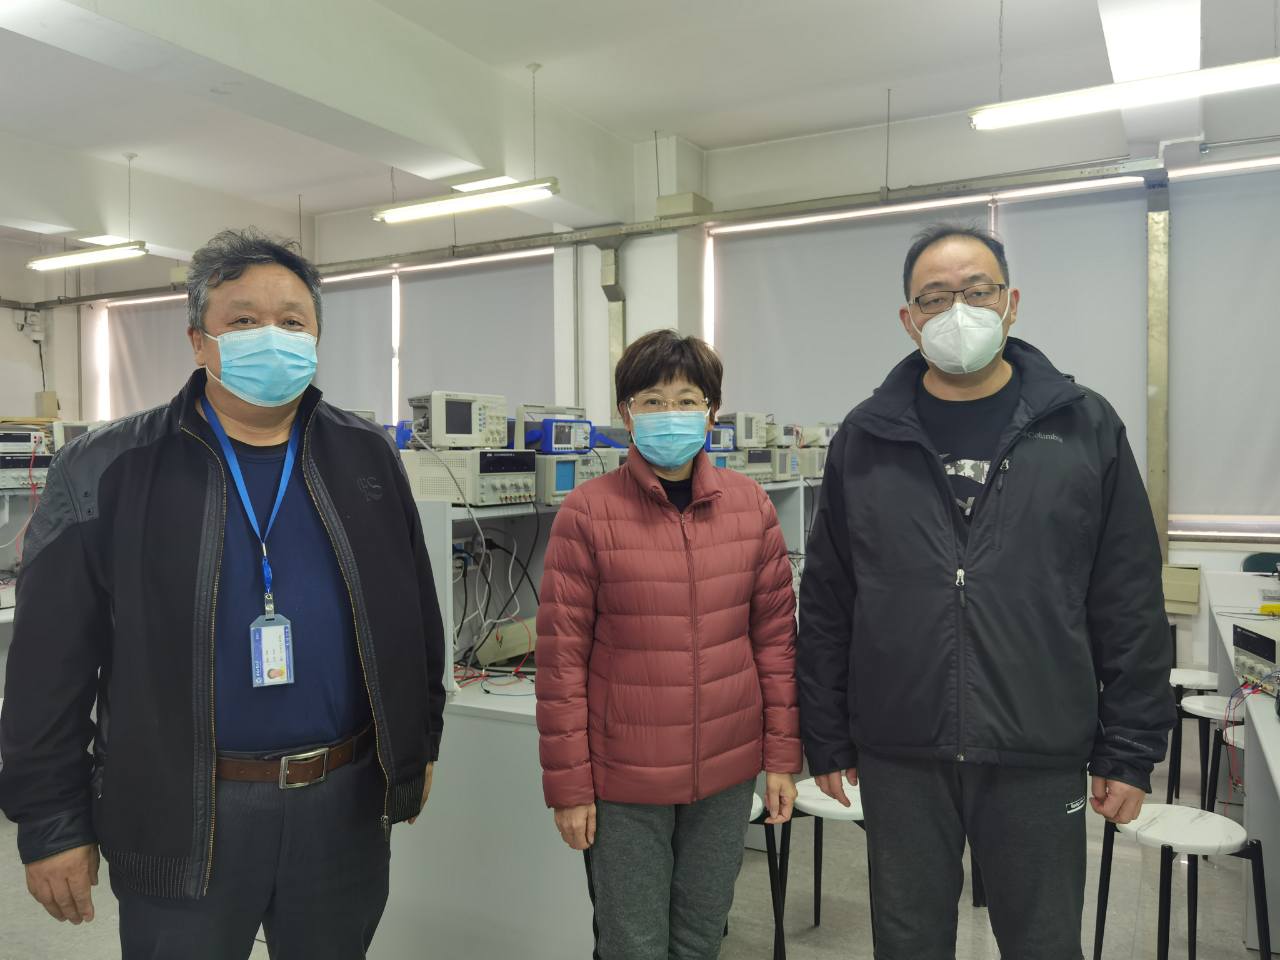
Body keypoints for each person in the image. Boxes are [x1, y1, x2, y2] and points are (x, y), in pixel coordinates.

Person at [0, 228, 446, 959]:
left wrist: (418, 743)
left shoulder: (366, 457)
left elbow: (414, 618)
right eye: (243, 320)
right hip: (182, 810)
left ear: (316, 338)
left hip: (341, 805)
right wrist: (51, 823)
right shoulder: (107, 469)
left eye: (292, 321)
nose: (272, 336)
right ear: (198, 341)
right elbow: (47, 668)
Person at [797, 224, 1175, 959]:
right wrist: (827, 735)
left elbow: (1128, 596)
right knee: (908, 944)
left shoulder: (1083, 425)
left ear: (1011, 303)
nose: (958, 311)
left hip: (1037, 745)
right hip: (901, 748)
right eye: (935, 298)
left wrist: (1130, 748)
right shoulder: (865, 438)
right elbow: (830, 602)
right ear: (909, 319)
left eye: (976, 291)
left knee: (1043, 944)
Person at [535, 329, 801, 960]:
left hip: (726, 771)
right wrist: (570, 789)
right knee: (634, 943)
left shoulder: (751, 507)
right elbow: (561, 664)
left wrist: (781, 759)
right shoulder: (587, 512)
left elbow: (775, 645)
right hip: (625, 779)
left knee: (701, 936)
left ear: (711, 411)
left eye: (686, 400)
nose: (670, 413)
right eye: (652, 401)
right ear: (626, 413)